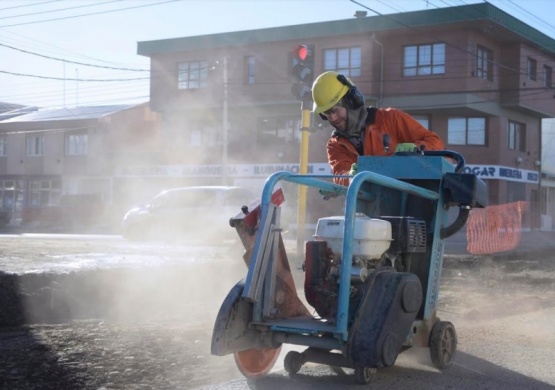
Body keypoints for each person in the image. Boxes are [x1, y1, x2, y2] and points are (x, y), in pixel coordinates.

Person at [312, 71, 444, 186]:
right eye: (327, 114)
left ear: (352, 100)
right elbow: (340, 173)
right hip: (368, 209)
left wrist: (416, 148)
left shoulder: (391, 118)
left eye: (335, 110)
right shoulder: (335, 145)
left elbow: (435, 142)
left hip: (410, 199)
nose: (333, 118)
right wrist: (351, 177)